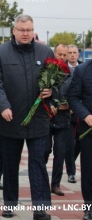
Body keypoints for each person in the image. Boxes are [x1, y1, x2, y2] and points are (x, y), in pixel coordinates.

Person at [0, 14, 54, 219]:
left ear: (33, 30)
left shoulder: (45, 52)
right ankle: (9, 204)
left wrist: (51, 94)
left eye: (29, 30)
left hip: (38, 119)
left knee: (38, 164)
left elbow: (57, 81)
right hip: (10, 119)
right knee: (10, 163)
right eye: (21, 30)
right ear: (14, 31)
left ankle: (40, 208)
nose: (25, 33)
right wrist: (3, 106)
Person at [45, 43, 72, 197]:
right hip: (47, 119)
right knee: (44, 150)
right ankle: (41, 180)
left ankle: (55, 184)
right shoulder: (46, 70)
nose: (62, 57)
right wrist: (49, 105)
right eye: (59, 54)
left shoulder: (72, 73)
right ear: (54, 53)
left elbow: (76, 94)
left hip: (63, 119)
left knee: (60, 153)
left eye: (64, 55)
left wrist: (67, 105)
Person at [68, 59, 92, 220]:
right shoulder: (83, 69)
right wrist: (86, 115)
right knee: (89, 170)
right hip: (88, 129)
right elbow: (73, 97)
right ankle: (89, 207)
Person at [65, 44, 82, 184]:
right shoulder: (61, 69)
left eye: (74, 52)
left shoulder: (84, 68)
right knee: (69, 144)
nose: (72, 55)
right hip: (67, 114)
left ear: (78, 54)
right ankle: (71, 172)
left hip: (82, 114)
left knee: (80, 144)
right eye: (69, 52)